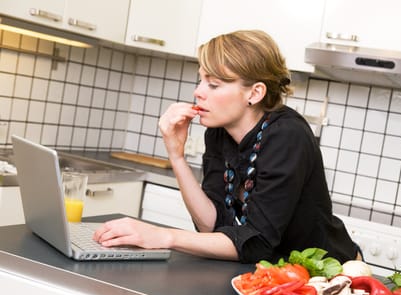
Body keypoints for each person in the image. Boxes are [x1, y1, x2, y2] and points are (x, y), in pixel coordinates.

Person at [94, 30, 361, 263]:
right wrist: (176, 156)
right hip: (272, 274)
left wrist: (163, 236)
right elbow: (212, 225)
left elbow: (257, 242)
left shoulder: (287, 136)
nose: (198, 91)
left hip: (328, 273)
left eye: (213, 84)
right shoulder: (218, 133)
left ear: (254, 93)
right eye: (200, 80)